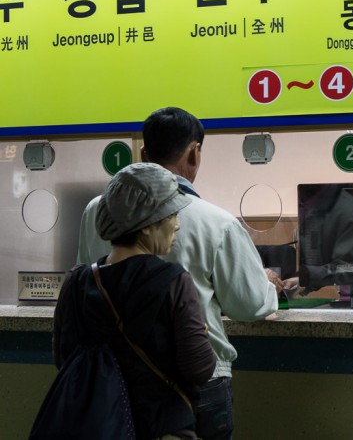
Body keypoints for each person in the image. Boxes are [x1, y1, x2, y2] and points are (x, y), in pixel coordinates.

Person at [77, 107, 279, 440]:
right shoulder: (214, 221)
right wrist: (268, 285)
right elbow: (250, 306)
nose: (176, 225)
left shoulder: (95, 212)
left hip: (115, 381)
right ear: (194, 152)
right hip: (195, 391)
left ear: (143, 153)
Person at [54, 163, 216, 439]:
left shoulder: (76, 282)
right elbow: (200, 369)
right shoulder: (173, 281)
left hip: (97, 426)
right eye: (171, 214)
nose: (177, 224)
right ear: (146, 226)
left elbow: (63, 359)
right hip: (161, 427)